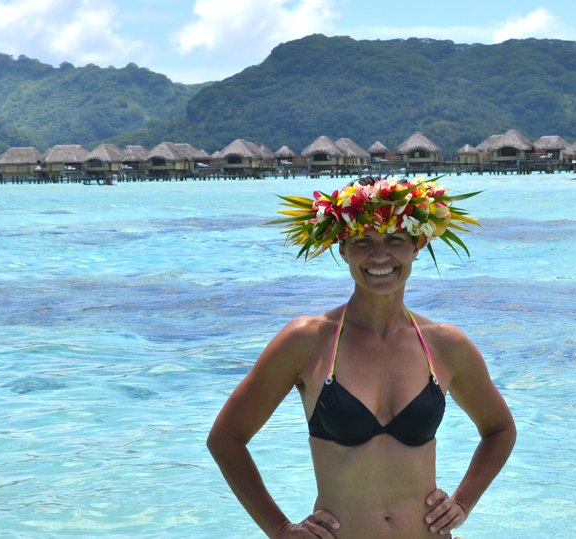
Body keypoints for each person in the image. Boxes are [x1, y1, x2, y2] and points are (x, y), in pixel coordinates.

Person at [208, 176, 516, 538]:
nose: (380, 255)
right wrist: (279, 529)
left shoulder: (445, 346)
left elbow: (499, 429)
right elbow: (226, 438)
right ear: (343, 249)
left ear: (418, 245)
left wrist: (464, 503)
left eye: (395, 240)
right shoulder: (308, 340)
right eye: (363, 241)